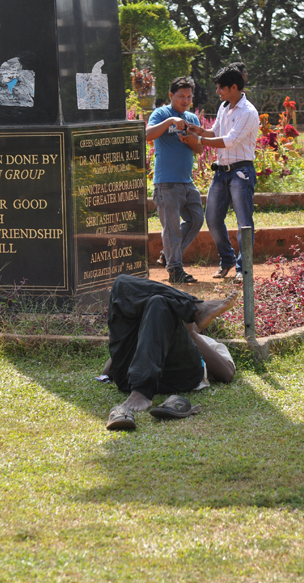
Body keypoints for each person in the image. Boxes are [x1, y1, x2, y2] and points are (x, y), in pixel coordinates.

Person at [102, 275, 238, 431]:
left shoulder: (208, 342)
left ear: (203, 330)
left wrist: (191, 334)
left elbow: (227, 373)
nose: (178, 316)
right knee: (122, 283)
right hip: (129, 378)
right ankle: (197, 309)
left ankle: (142, 391)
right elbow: (108, 371)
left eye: (180, 313)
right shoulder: (151, 328)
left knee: (159, 302)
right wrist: (137, 337)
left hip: (177, 376)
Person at [182, 64, 260, 284]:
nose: (217, 92)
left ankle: (243, 268)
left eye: (221, 88)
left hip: (241, 172)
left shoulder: (248, 112)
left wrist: (199, 141)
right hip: (221, 172)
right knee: (213, 219)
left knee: (244, 222)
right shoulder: (225, 107)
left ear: (234, 87)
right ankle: (227, 261)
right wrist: (198, 130)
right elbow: (215, 132)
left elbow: (229, 141)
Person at [146, 77, 204, 284]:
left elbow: (199, 148)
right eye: (181, 96)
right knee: (171, 228)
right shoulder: (162, 113)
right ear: (171, 96)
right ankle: (175, 270)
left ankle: (167, 255)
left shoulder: (191, 118)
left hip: (186, 182)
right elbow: (147, 135)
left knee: (196, 219)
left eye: (189, 96)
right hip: (166, 183)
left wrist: (189, 138)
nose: (185, 100)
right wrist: (171, 121)